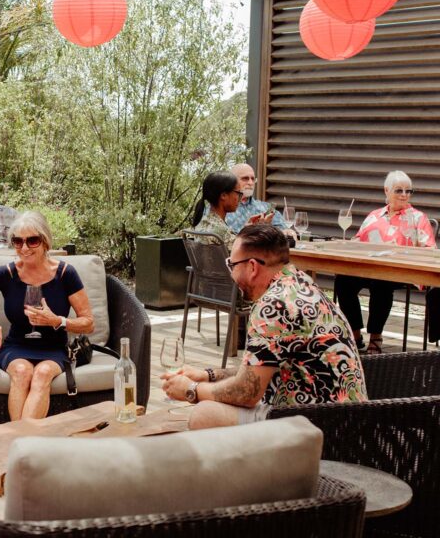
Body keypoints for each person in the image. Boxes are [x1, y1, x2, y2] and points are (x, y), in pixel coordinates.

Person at [162, 224, 367, 429]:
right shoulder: (299, 282)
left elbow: (247, 392)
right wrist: (208, 375)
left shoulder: (273, 306)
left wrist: (192, 389)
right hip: (345, 420)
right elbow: (257, 371)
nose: (231, 275)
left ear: (252, 267)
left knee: (204, 414)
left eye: (232, 266)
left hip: (319, 427)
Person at [0, 211, 94, 421]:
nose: (24, 248)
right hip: (16, 345)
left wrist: (57, 321)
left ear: (45, 242)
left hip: (54, 347)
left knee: (43, 373)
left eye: (32, 241)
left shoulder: (65, 274)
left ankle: (18, 442)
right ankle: (24, 443)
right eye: (18, 242)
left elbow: (88, 323)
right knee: (21, 371)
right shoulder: (8, 273)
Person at [334, 171, 436, 354]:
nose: (404, 194)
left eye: (408, 191)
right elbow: (357, 241)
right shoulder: (374, 215)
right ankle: (355, 335)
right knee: (343, 279)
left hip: (400, 271)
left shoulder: (418, 218)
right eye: (399, 190)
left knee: (381, 282)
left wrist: (401, 250)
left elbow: (429, 250)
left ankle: (376, 336)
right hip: (370, 268)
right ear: (386, 191)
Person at [225, 163, 295, 238]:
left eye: (253, 179)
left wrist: (289, 232)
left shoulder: (266, 208)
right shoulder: (223, 208)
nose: (250, 183)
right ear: (232, 181)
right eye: (245, 178)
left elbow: (283, 230)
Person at [191, 171, 245, 248]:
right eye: (238, 193)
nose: (240, 198)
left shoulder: (205, 222)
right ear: (223, 195)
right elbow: (244, 252)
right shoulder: (221, 232)